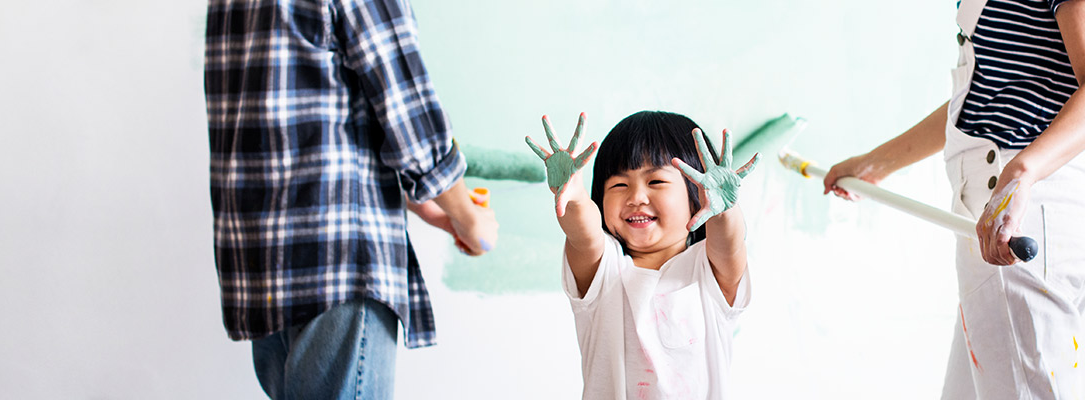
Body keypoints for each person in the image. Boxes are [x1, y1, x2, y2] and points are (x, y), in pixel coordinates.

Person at [203, 0, 498, 398]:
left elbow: (299, 110)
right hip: (337, 259)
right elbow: (406, 109)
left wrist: (426, 205)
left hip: (262, 261)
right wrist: (468, 216)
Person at [822, 1, 1085, 398]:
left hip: (1015, 212)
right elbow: (991, 97)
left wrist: (1022, 173)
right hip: (1010, 206)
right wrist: (877, 162)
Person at [526, 111, 759, 399]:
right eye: (619, 185)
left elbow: (730, 243)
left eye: (656, 182)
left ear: (696, 195)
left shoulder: (708, 269)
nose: (636, 197)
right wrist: (573, 197)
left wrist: (724, 210)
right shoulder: (604, 270)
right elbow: (583, 235)